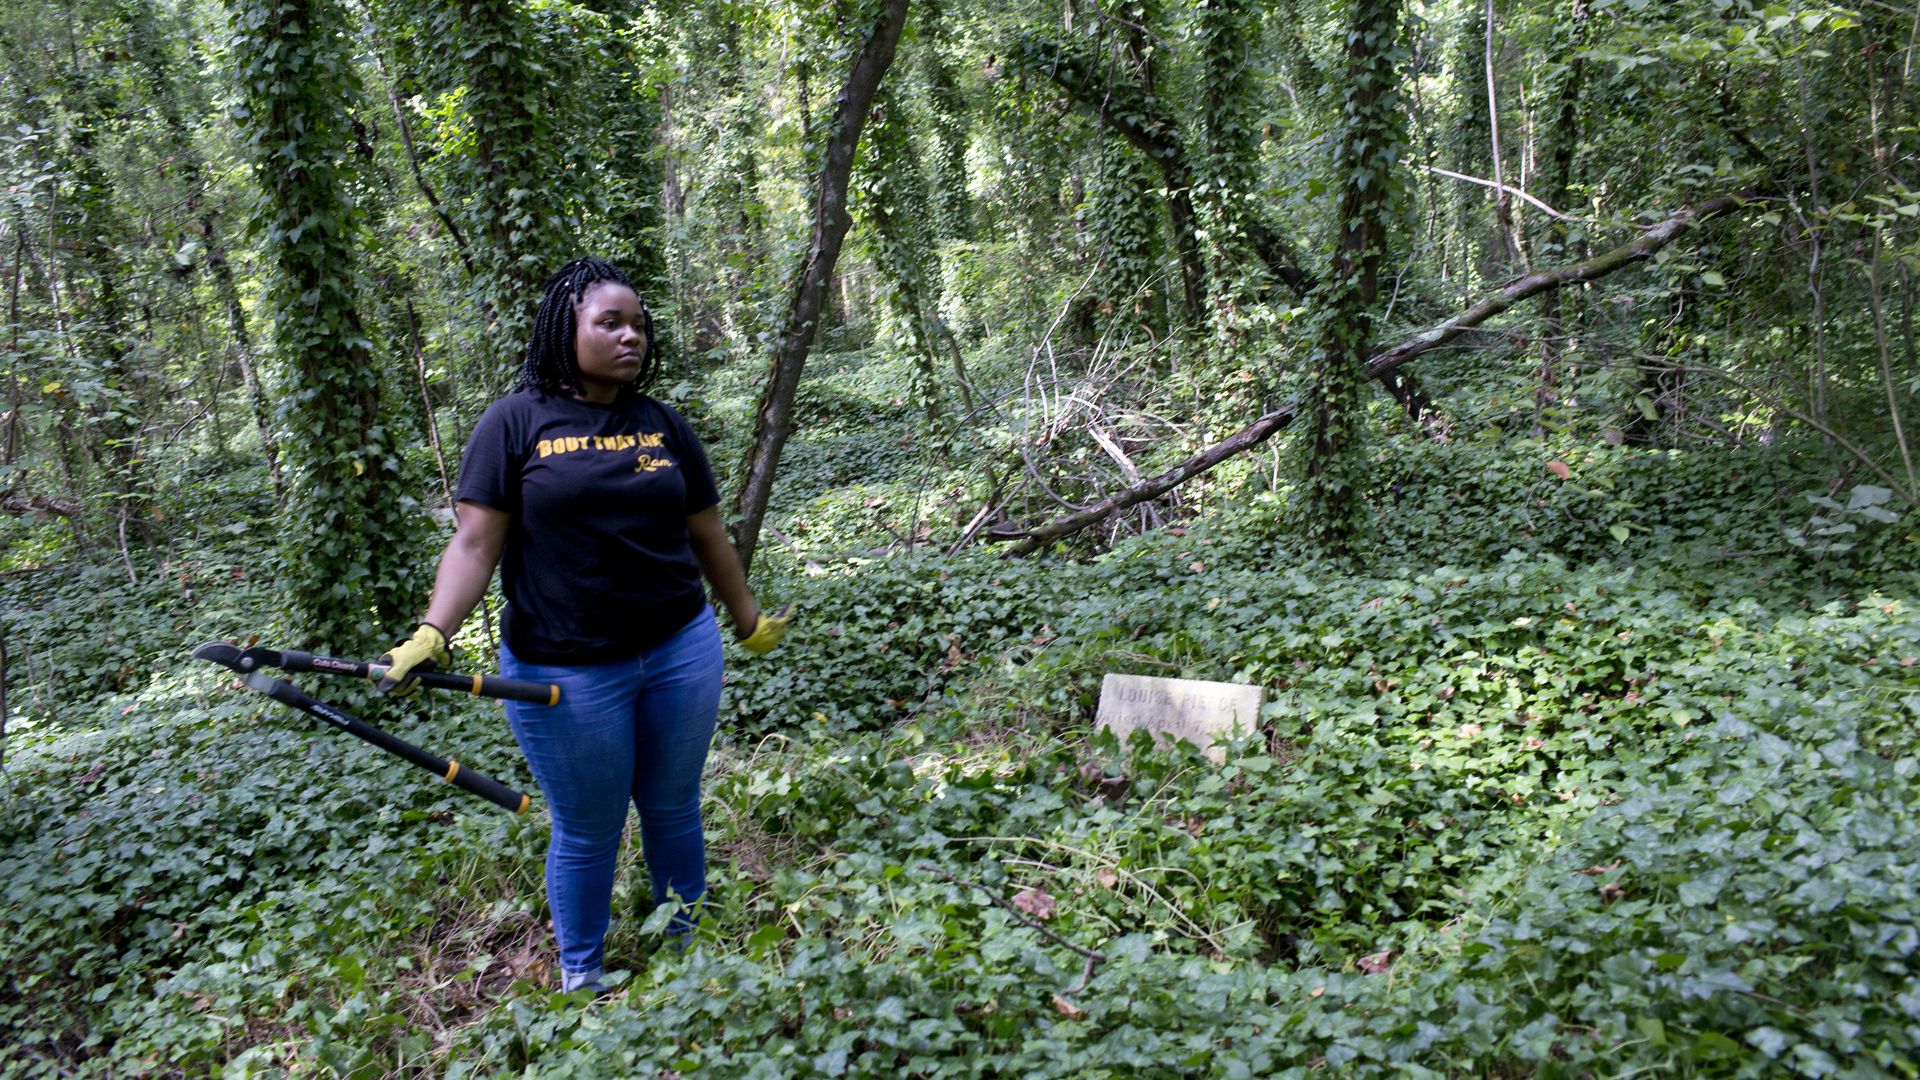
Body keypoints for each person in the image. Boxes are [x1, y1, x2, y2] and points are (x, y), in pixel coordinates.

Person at [376, 256, 791, 993]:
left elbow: (708, 534)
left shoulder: (661, 423)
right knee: (590, 826)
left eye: (638, 324)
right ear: (563, 329)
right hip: (563, 668)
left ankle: (686, 949)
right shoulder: (514, 422)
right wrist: (433, 632)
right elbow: (475, 544)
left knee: (672, 805)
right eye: (611, 323)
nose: (631, 336)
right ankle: (583, 975)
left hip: (679, 649)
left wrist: (746, 617)